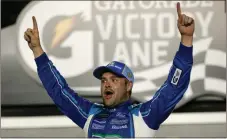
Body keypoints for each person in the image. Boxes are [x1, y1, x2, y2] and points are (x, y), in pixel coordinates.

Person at [24, 2, 194, 138]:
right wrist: (37, 50)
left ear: (128, 86)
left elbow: (174, 87)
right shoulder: (89, 114)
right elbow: (59, 91)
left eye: (114, 80)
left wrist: (186, 39)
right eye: (104, 80)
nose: (106, 84)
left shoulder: (145, 115)